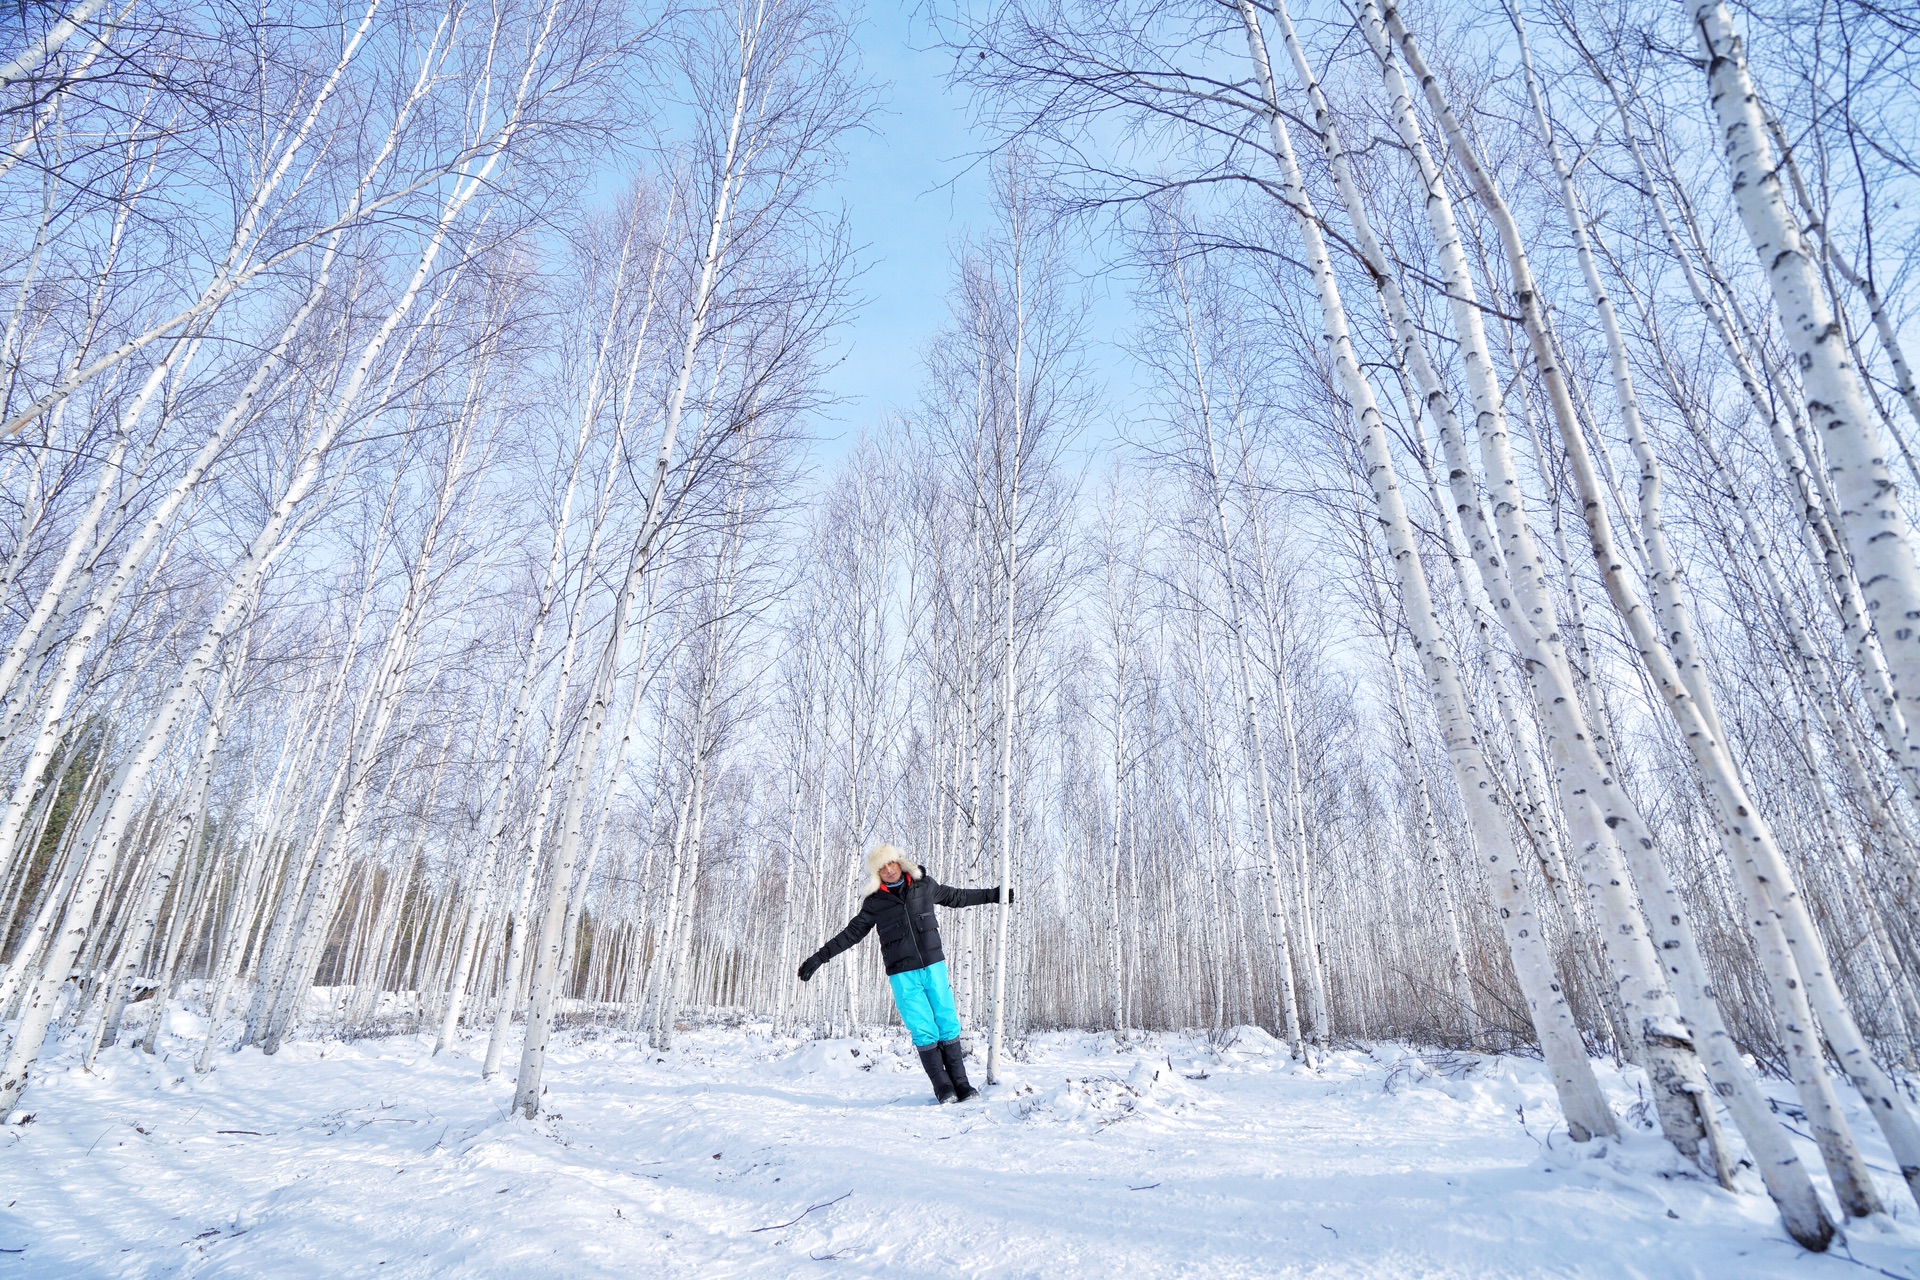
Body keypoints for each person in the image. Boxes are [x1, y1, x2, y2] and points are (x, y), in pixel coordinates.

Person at [796, 844, 1009, 1103]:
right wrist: (820, 957)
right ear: (877, 874)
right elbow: (852, 934)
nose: (888, 870)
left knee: (947, 1021)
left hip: (933, 966)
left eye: (891, 863)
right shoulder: (874, 903)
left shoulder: (924, 886)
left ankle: (962, 1085)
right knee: (923, 1028)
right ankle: (943, 1087)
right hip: (902, 974)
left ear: (900, 862)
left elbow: (957, 897)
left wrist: (994, 895)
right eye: (881, 867)